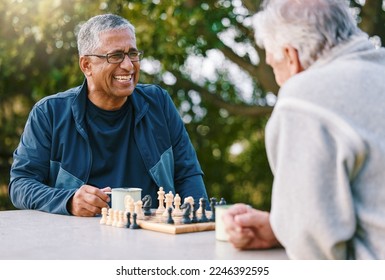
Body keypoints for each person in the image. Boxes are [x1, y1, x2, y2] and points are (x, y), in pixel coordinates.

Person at [223, 0, 385, 259]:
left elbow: (315, 251)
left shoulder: (304, 95)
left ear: (290, 56)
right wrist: (281, 228)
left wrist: (297, 234)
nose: (277, 79)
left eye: (273, 65)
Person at [9, 14, 208, 217]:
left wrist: (199, 222)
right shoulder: (49, 113)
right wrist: (68, 201)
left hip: (155, 236)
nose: (129, 66)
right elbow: (20, 184)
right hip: (78, 241)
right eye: (115, 56)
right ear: (86, 65)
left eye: (132, 53)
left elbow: (188, 174)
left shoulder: (159, 103)